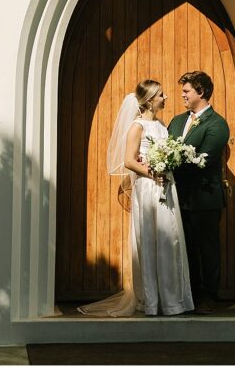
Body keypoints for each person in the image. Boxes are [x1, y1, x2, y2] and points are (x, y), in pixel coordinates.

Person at [78, 80, 194, 316]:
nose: (165, 98)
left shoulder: (161, 125)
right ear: (150, 101)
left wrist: (169, 164)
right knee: (151, 239)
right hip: (148, 187)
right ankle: (151, 301)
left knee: (170, 239)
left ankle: (172, 300)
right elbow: (129, 161)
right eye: (161, 95)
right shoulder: (137, 127)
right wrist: (153, 172)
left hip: (166, 186)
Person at [168, 71, 230, 315]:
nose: (182, 95)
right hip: (178, 198)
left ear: (201, 92)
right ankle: (190, 296)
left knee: (208, 249)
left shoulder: (217, 124)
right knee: (187, 250)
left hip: (204, 199)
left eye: (187, 91)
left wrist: (169, 163)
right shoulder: (176, 121)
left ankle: (210, 296)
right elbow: (167, 146)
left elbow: (203, 160)